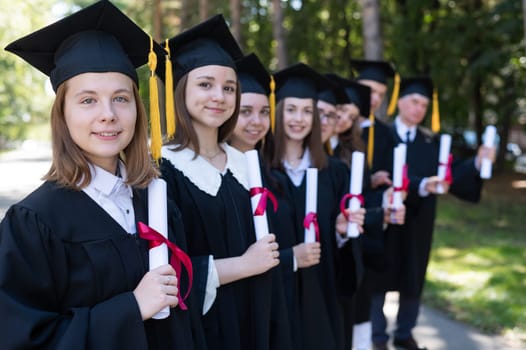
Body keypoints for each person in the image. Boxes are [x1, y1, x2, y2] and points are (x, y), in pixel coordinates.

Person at [0, 1, 193, 349]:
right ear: (63, 114)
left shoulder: (156, 201)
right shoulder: (33, 222)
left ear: (137, 109)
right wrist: (131, 308)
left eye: (121, 98)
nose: (108, 114)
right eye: (88, 100)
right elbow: (25, 340)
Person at [158, 16, 291, 350]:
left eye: (229, 87)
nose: (219, 96)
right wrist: (244, 265)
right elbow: (164, 271)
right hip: (203, 331)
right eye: (205, 84)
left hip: (258, 319)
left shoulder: (246, 165)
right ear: (181, 89)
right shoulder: (162, 170)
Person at [370, 77, 495, 350]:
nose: (419, 109)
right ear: (399, 102)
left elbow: (453, 173)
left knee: (413, 275)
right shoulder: (380, 136)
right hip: (386, 218)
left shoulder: (432, 142)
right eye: (414, 101)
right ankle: (377, 336)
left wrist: (478, 160)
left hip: (419, 221)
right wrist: (421, 184)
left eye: (424, 105)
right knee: (379, 272)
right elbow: (379, 175)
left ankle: (405, 333)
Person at [267, 62, 365, 350]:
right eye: (291, 109)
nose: (299, 119)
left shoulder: (334, 172)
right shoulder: (258, 172)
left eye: (307, 111)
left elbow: (345, 258)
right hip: (279, 298)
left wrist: (342, 233)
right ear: (278, 111)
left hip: (322, 296)